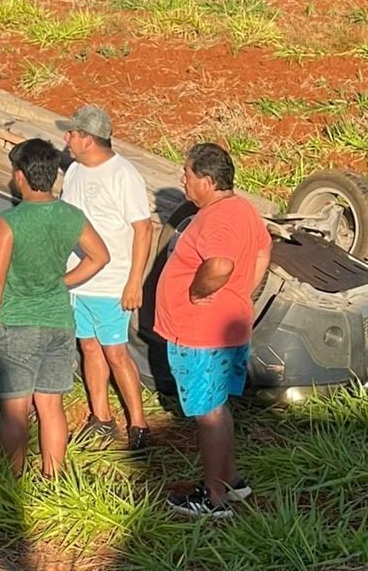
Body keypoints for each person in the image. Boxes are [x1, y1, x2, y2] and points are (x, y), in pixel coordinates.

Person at [156, 143, 271, 519]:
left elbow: (219, 264)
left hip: (201, 333)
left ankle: (214, 497)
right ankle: (231, 479)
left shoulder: (217, 218)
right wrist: (242, 291)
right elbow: (261, 251)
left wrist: (196, 291)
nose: (182, 180)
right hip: (227, 327)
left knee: (208, 414)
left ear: (206, 181)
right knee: (219, 407)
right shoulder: (244, 209)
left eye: (187, 175)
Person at [0, 138, 109, 477]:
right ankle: (53, 477)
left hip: (18, 320)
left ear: (21, 175)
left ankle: (15, 477)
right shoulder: (70, 215)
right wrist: (64, 280)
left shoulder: (10, 220)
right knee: (50, 404)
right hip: (58, 320)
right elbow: (100, 256)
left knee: (15, 408)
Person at [57, 104, 153, 450]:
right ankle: (102, 418)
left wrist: (133, 281)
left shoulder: (122, 175)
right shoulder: (74, 172)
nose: (66, 139)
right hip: (78, 282)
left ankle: (138, 423)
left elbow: (144, 229)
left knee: (116, 353)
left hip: (111, 284)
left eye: (72, 133)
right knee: (89, 348)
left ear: (88, 139)